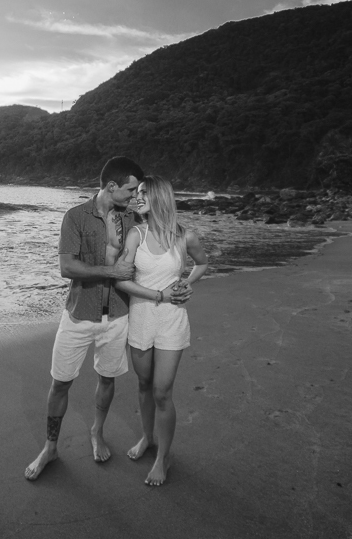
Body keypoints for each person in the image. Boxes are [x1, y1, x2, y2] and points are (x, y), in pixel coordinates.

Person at [24, 157, 191, 481]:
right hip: (79, 314)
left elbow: (165, 237)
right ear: (111, 186)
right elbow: (67, 267)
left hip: (118, 316)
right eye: (130, 189)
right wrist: (110, 271)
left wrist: (182, 279)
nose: (135, 195)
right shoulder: (76, 217)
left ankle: (97, 432)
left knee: (107, 378)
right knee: (60, 383)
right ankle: (50, 446)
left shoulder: (132, 221)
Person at [115, 175, 208, 485]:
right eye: (136, 191)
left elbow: (202, 263)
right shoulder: (135, 236)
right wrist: (158, 294)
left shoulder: (185, 237)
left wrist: (186, 282)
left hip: (171, 321)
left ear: (158, 197)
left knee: (162, 392)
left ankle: (163, 456)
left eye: (143, 192)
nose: (137, 196)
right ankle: (147, 437)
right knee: (143, 384)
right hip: (140, 318)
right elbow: (121, 280)